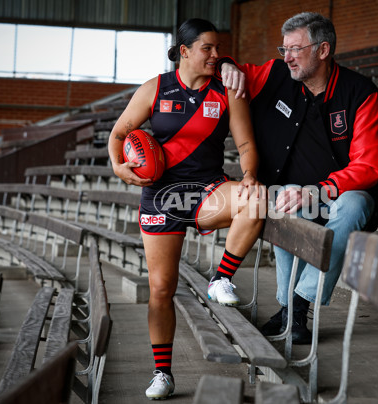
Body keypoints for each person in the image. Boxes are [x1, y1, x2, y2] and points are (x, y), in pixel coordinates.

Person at [108, 18, 266, 400]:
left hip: (206, 190)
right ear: (184, 51)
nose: (216, 55)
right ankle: (162, 373)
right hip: (160, 197)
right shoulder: (155, 88)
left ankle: (221, 278)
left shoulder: (227, 90)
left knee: (257, 199)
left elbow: (245, 143)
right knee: (161, 289)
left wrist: (248, 174)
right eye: (207, 49)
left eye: (218, 49)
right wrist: (119, 167)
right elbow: (118, 134)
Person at [219, 12, 378, 344]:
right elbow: (235, 70)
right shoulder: (275, 74)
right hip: (292, 195)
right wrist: (226, 64)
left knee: (352, 205)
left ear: (323, 50)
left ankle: (297, 305)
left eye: (296, 49)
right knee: (286, 195)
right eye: (284, 49)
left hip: (343, 196)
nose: (288, 57)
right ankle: (292, 310)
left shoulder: (361, 93)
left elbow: (368, 166)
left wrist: (320, 191)